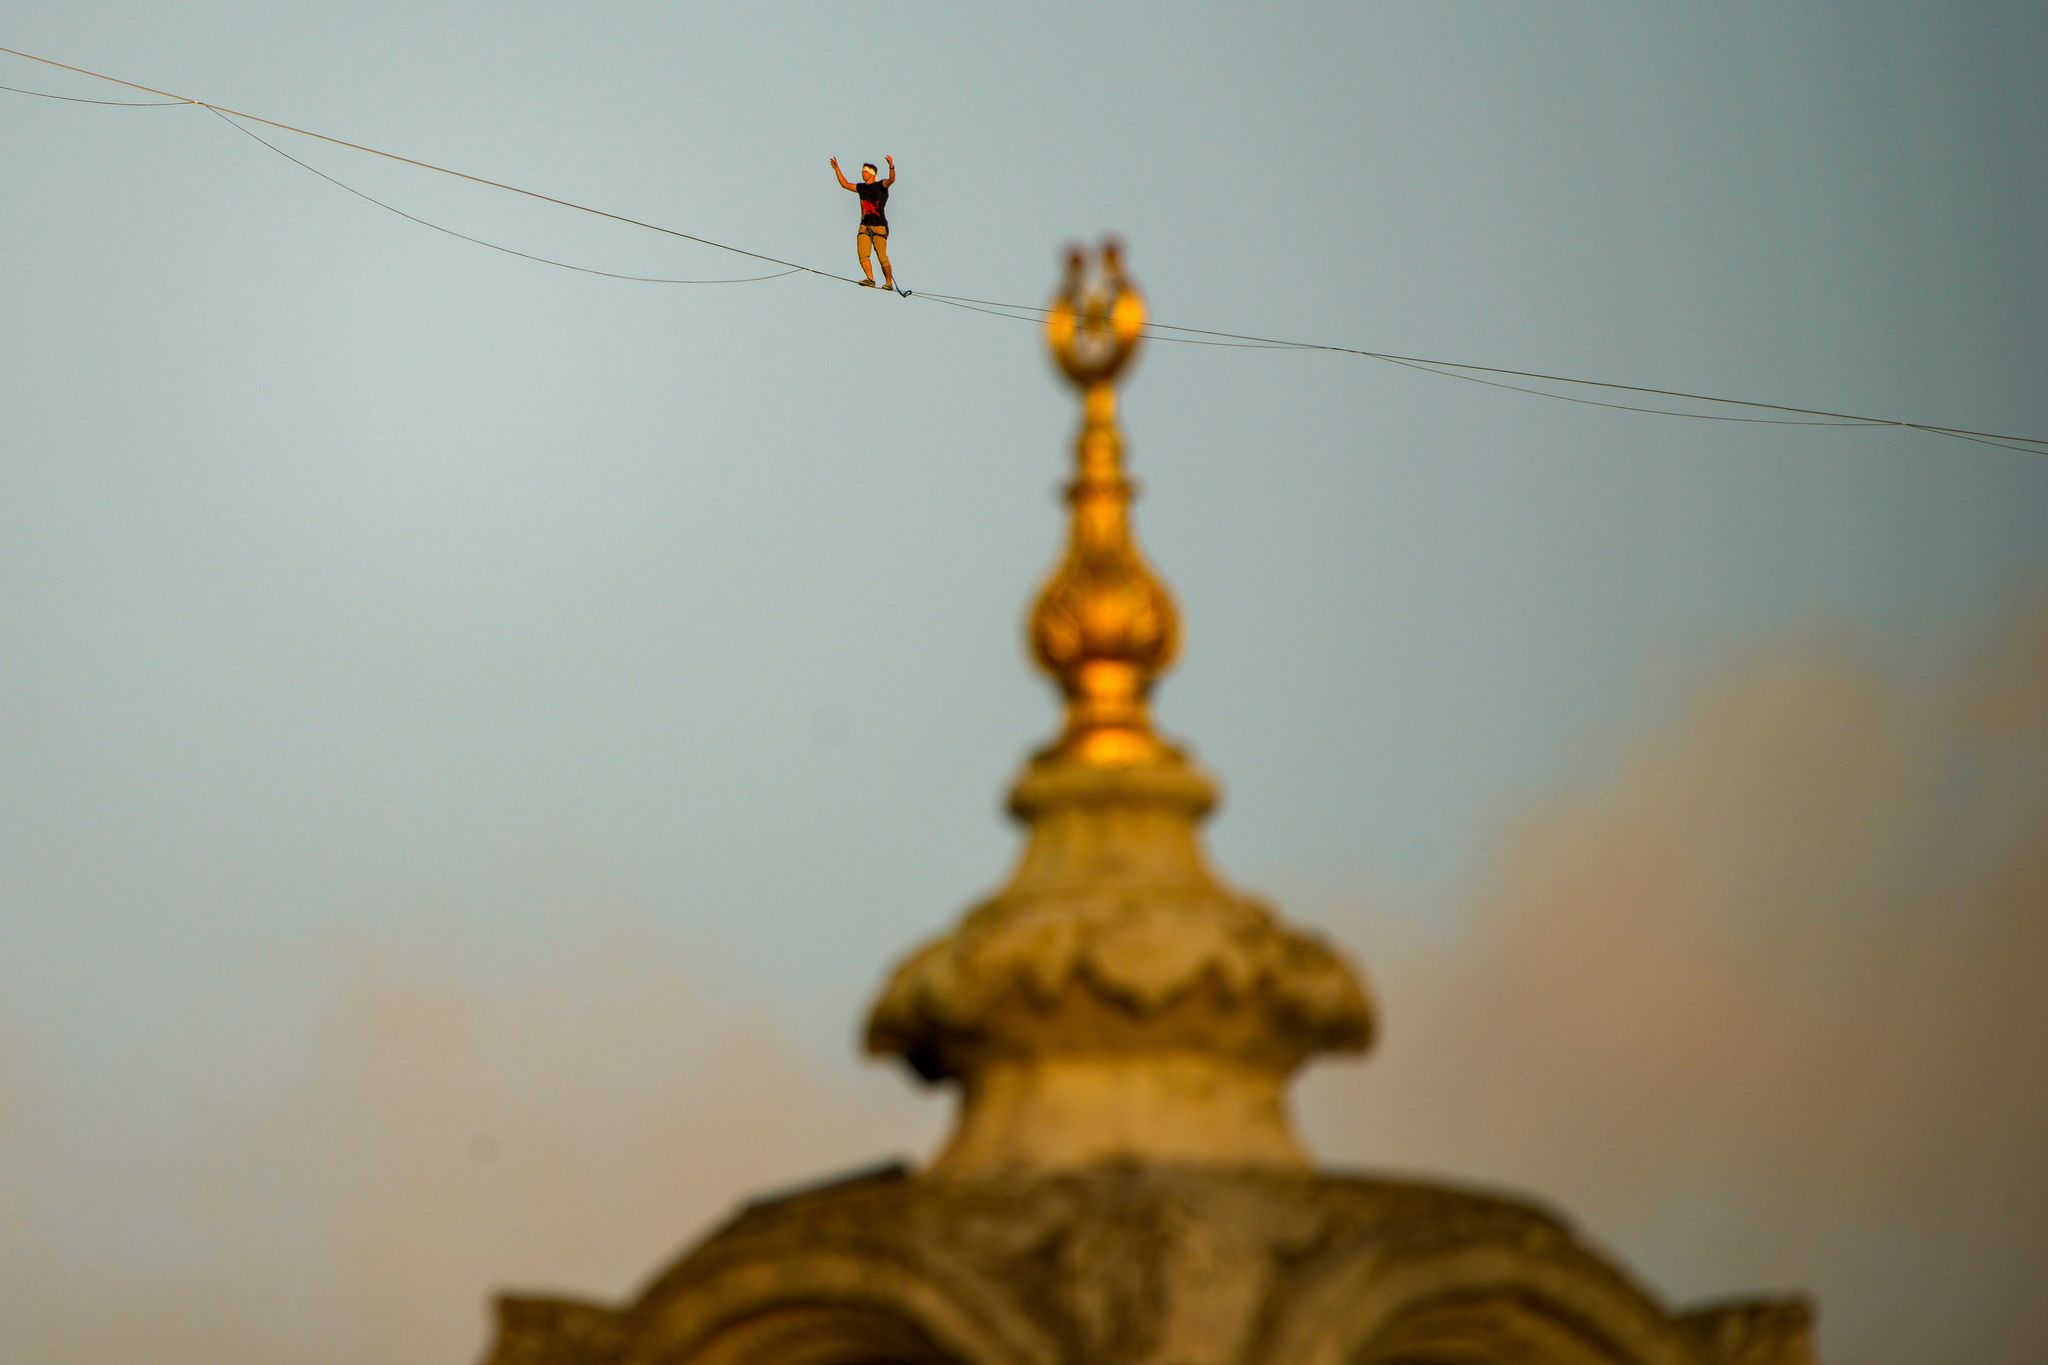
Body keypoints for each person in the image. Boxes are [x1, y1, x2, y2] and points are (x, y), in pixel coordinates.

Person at [830, 154, 896, 289]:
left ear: (871, 174)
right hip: (864, 226)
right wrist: (837, 168)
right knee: (862, 254)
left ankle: (888, 282)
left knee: (882, 257)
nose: (862, 173)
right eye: (862, 171)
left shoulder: (880, 185)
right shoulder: (861, 187)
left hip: (879, 227)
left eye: (865, 172)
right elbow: (845, 184)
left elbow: (891, 180)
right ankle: (870, 279)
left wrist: (891, 166)